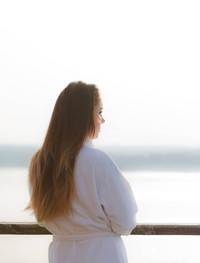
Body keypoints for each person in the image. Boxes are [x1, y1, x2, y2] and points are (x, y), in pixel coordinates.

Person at [26, 81, 138, 263]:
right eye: (99, 112)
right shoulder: (98, 161)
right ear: (84, 116)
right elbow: (125, 222)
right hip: (102, 254)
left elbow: (42, 217)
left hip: (61, 254)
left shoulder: (40, 162)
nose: (103, 120)